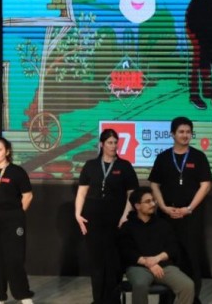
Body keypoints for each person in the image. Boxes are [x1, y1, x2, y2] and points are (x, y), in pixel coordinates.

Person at [148, 117, 212, 303]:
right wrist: (163, 207)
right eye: (181, 132)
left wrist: (189, 208)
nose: (185, 135)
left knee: (191, 257)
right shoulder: (163, 158)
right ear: (172, 134)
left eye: (188, 132)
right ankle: (166, 299)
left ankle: (192, 299)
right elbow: (154, 184)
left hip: (191, 217)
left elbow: (205, 185)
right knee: (167, 258)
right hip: (166, 216)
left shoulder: (199, 157)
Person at [74, 129, 140, 304]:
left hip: (116, 220)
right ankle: (98, 300)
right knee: (96, 263)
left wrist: (125, 216)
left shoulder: (124, 166)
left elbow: (132, 194)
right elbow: (82, 193)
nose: (113, 146)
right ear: (101, 144)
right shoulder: (90, 165)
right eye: (110, 142)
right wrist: (78, 214)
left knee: (113, 263)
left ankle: (113, 300)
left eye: (115, 142)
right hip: (93, 220)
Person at [0, 137, 35, 304]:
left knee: (14, 259)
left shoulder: (17, 172)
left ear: (7, 151)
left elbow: (28, 196)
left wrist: (16, 215)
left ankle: (23, 295)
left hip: (12, 221)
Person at [118, 187, 196, 304]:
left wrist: (156, 259)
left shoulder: (163, 224)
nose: (153, 204)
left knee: (188, 285)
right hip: (138, 267)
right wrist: (148, 263)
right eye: (148, 201)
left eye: (153, 200)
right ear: (137, 206)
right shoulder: (127, 227)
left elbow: (173, 248)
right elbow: (126, 251)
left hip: (163, 266)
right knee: (140, 285)